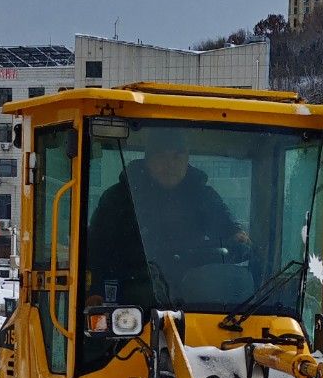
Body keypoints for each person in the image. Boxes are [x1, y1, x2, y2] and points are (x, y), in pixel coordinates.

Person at [87, 129, 249, 306]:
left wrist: (238, 238)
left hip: (196, 301)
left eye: (177, 156)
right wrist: (95, 292)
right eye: (161, 156)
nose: (170, 164)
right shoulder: (119, 199)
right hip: (132, 303)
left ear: (187, 159)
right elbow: (96, 250)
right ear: (148, 160)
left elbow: (232, 233)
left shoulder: (204, 197)